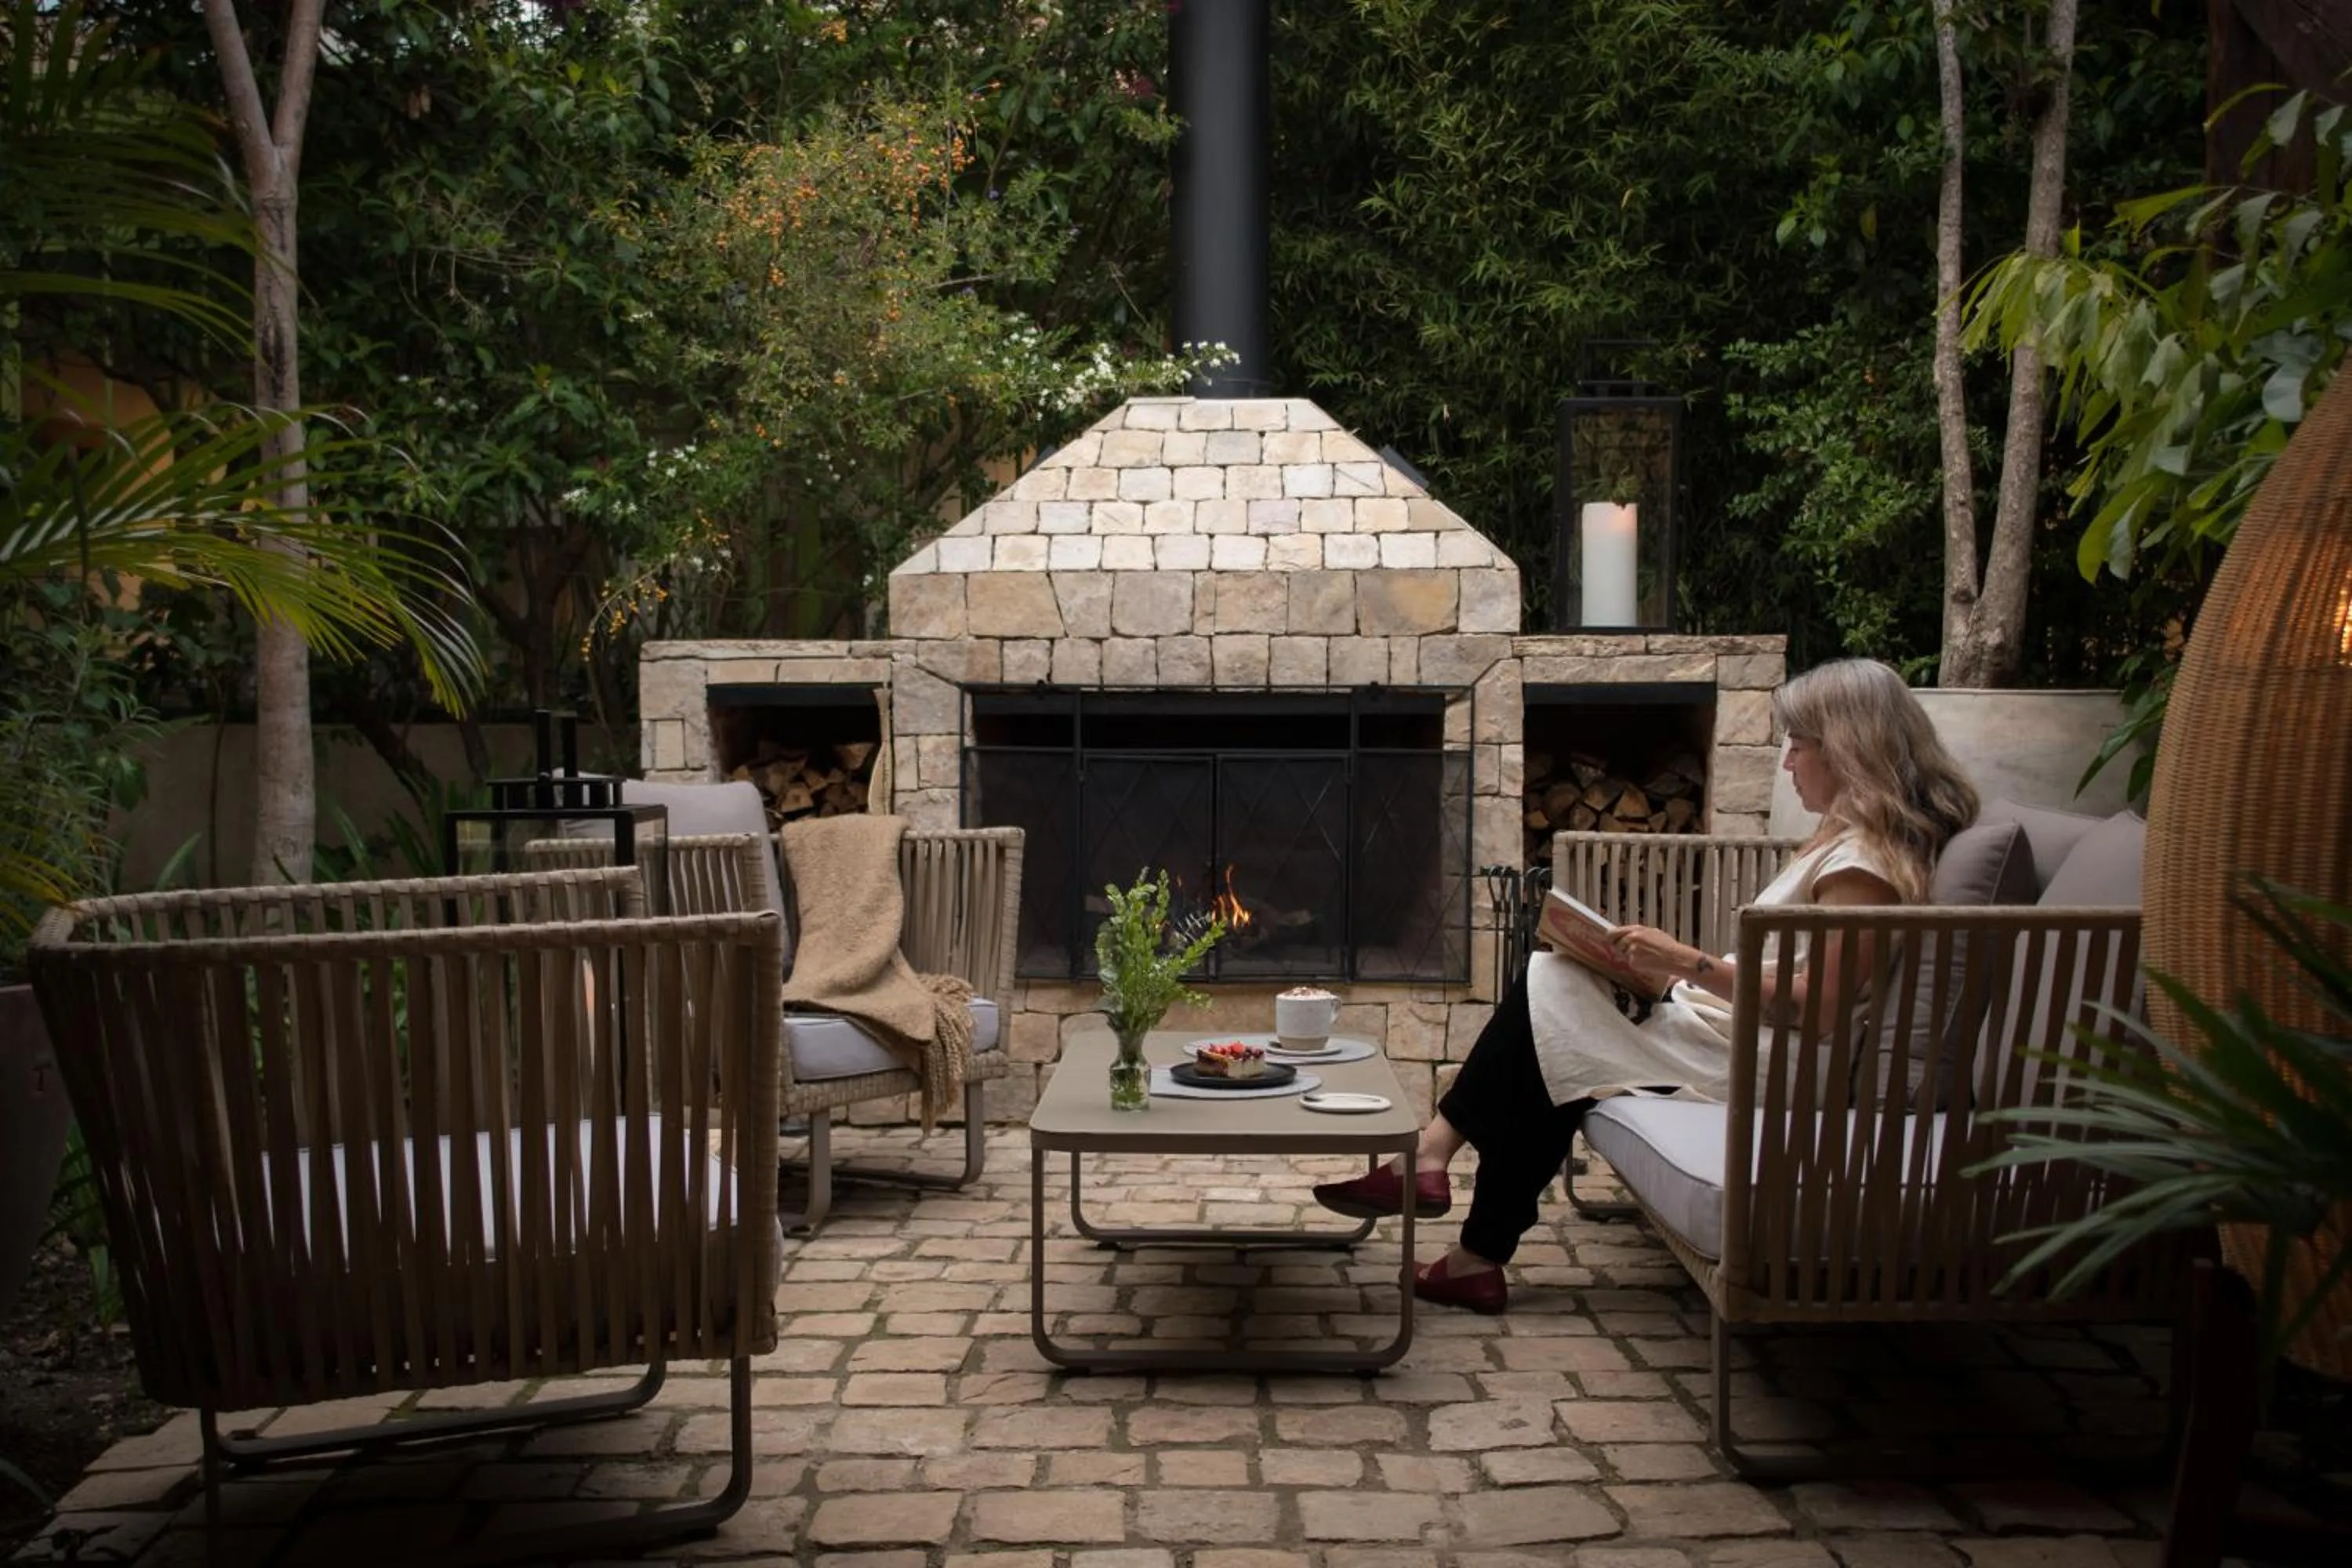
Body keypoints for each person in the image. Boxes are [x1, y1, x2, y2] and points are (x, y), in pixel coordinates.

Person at [1312, 659, 1979, 1313]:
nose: (1787, 764)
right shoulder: (1848, 846)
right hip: (1745, 1031)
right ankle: (1470, 1247)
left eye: (1798, 747)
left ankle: (1438, 1177)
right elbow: (1804, 975)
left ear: (1846, 749)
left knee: (1555, 997)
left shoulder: (1862, 866)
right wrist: (1670, 973)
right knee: (1560, 1011)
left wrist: (1684, 963)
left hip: (1784, 1064)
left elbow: (1824, 1009)